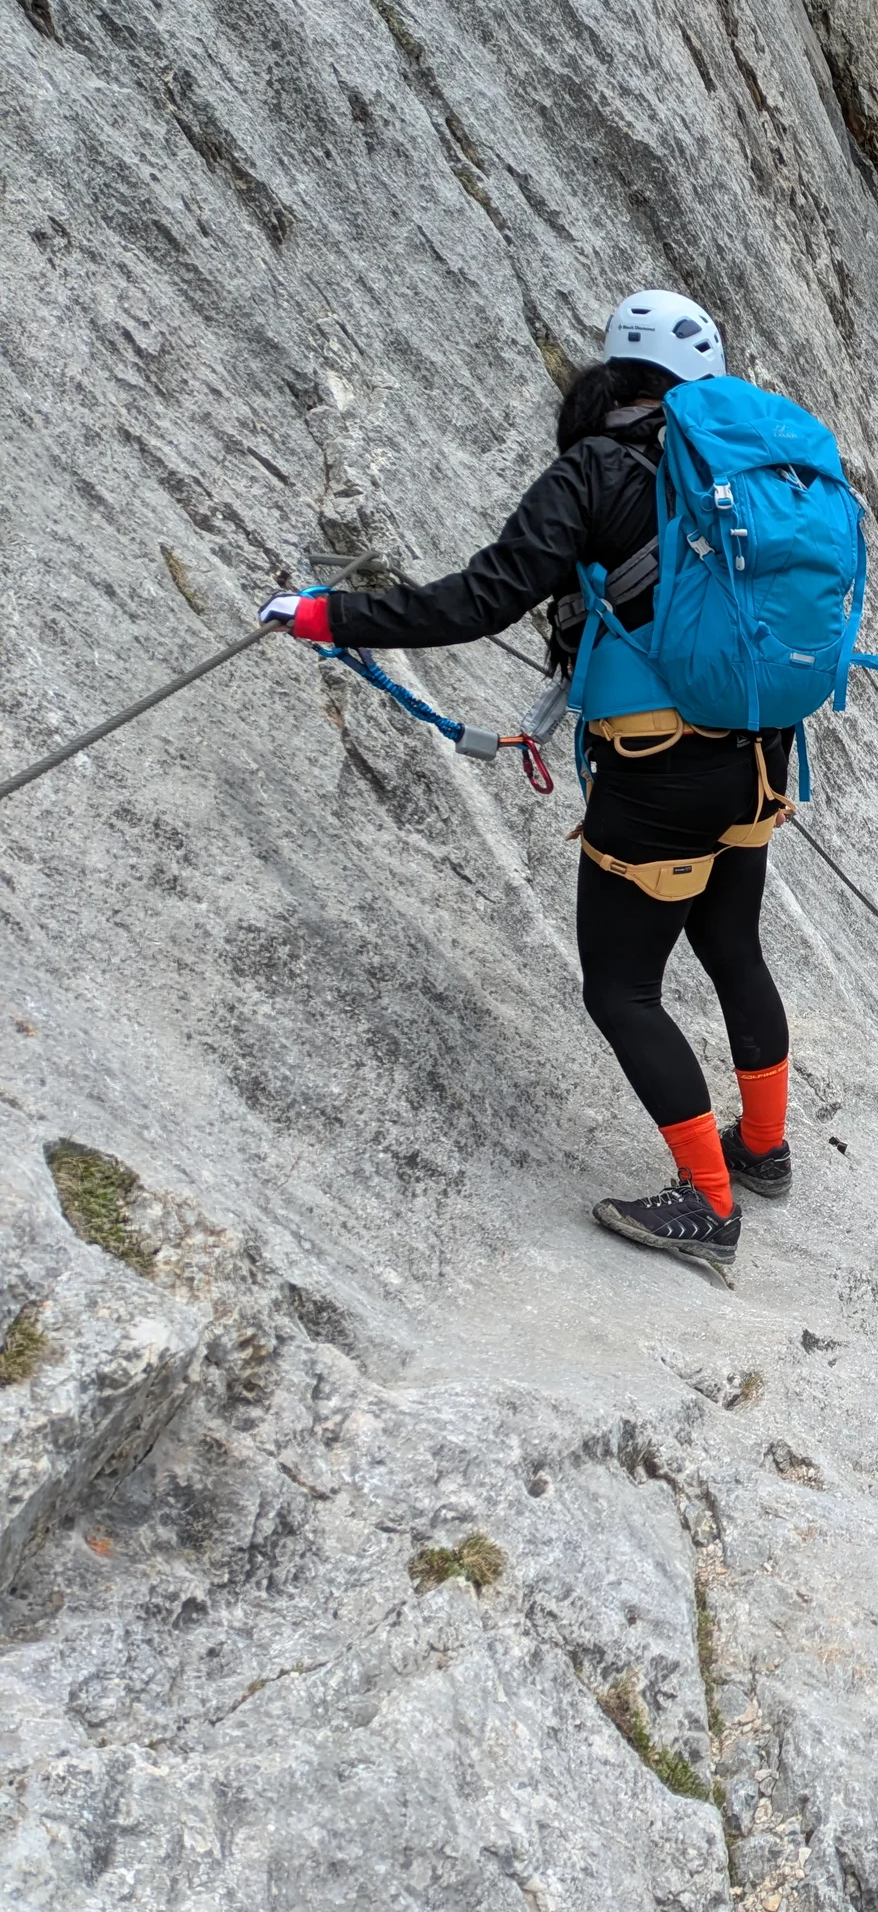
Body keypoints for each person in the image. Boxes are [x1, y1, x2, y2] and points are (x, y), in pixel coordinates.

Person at [258, 290, 793, 1283]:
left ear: (618, 374)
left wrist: (330, 616)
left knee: (622, 988)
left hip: (660, 772)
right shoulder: (755, 469)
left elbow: (480, 599)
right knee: (732, 945)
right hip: (760, 753)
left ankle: (709, 1206)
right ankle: (762, 1150)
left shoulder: (598, 467)